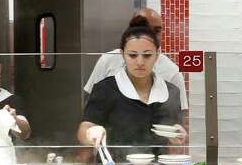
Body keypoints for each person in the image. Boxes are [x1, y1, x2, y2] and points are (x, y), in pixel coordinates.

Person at [78, 24, 186, 155]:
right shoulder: (105, 88)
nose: (140, 62)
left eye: (147, 55)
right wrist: (90, 132)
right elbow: (84, 129)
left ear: (157, 55)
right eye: (133, 55)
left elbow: (176, 136)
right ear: (123, 54)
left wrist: (178, 135)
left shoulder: (171, 91)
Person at [84, 7, 188, 111]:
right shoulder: (108, 60)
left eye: (156, 31)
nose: (140, 62)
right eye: (132, 55)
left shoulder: (172, 72)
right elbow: (89, 103)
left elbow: (180, 116)